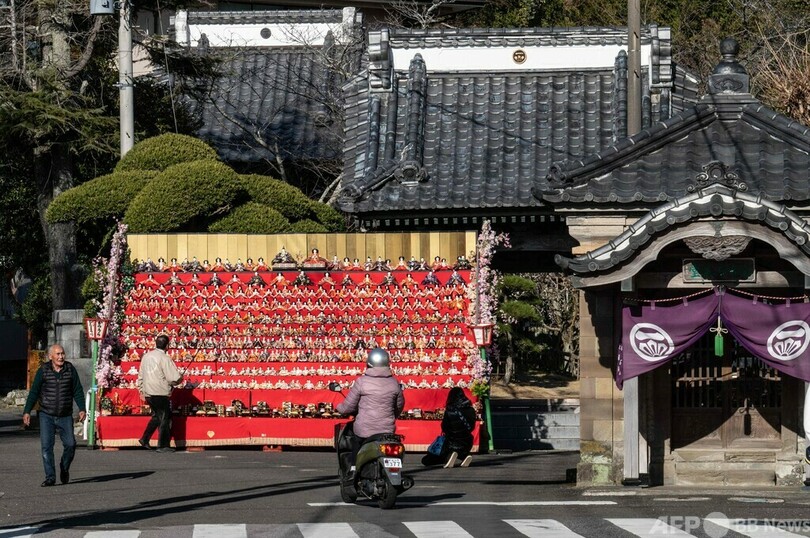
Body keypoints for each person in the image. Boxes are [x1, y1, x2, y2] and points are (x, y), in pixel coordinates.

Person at [22, 344, 86, 487]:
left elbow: (77, 390)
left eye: (62, 354)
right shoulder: (43, 370)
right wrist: (27, 411)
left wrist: (82, 408)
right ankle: (50, 477)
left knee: (70, 444)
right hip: (46, 414)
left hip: (65, 414)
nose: (61, 357)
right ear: (51, 356)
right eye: (58, 354)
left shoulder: (70, 369)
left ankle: (64, 467)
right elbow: (34, 392)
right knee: (46, 447)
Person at [336, 348, 404, 477]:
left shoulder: (362, 382)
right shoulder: (394, 382)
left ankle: (353, 470)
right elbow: (399, 406)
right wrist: (390, 417)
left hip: (365, 430)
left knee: (356, 444)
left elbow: (348, 406)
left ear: (369, 363)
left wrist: (339, 408)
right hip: (387, 430)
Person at [137, 335, 184, 452]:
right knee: (164, 418)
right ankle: (163, 445)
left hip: (148, 391)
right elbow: (173, 378)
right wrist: (179, 379)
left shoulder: (146, 356)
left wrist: (141, 389)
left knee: (157, 416)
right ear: (167, 345)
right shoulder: (165, 358)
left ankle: (145, 438)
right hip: (160, 392)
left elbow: (140, 375)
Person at [421, 387, 476, 468]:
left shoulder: (450, 410)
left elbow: (445, 427)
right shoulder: (471, 410)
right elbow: (472, 427)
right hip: (467, 441)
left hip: (451, 441)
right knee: (460, 448)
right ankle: (463, 456)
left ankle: (450, 455)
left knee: (426, 460)